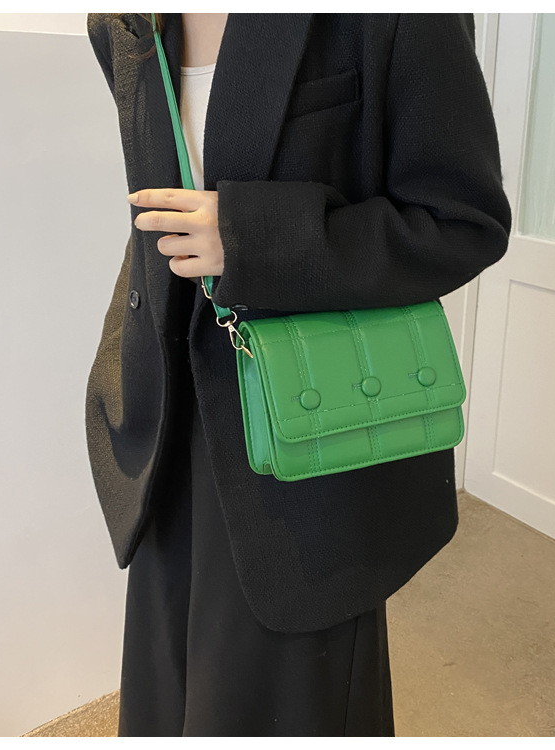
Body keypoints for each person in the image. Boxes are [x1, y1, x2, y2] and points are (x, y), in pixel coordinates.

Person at [84, 12, 511, 737]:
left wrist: (252, 238)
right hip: (162, 429)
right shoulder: (123, 20)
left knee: (282, 707)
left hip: (305, 441)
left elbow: (462, 222)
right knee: (165, 701)